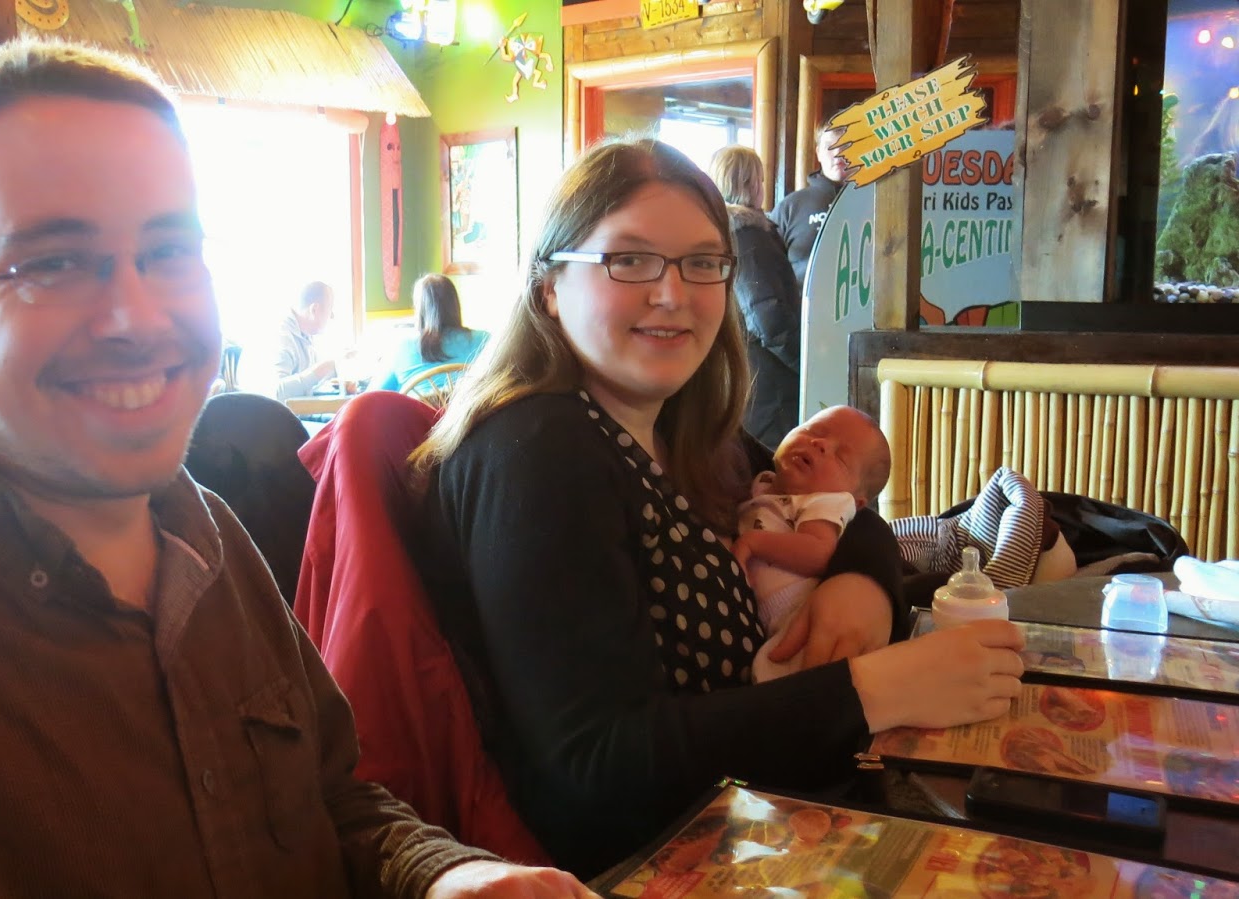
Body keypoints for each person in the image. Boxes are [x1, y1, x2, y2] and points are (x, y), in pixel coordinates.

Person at [0, 40, 593, 899]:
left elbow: (335, 802)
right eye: (54, 262)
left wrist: (447, 874)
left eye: (169, 250)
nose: (137, 317)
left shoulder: (209, 535)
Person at [413, 138, 1024, 877]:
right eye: (629, 260)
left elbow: (850, 511)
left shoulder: (688, 425)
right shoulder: (536, 450)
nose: (673, 293)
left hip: (776, 820)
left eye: (702, 262)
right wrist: (875, 690)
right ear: (548, 285)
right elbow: (595, 770)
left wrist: (860, 582)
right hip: (664, 866)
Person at [732, 405, 891, 682]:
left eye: (841, 457)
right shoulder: (764, 482)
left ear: (854, 501)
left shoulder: (824, 502)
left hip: (799, 612)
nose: (820, 444)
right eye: (812, 430)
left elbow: (819, 551)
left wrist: (753, 543)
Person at [707, 145, 801, 449]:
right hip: (769, 383)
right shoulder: (746, 235)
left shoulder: (719, 233)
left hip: (747, 373)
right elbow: (768, 316)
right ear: (748, 183)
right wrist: (806, 363)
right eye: (758, 179)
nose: (762, 186)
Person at [373, 273, 489, 392]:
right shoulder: (485, 340)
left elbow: (373, 395)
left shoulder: (402, 347)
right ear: (455, 304)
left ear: (420, 309)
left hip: (418, 405)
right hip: (468, 404)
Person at [771, 127, 847, 292]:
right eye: (830, 146)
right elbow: (769, 272)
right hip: (802, 306)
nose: (838, 153)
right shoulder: (790, 207)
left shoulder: (876, 202)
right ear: (819, 153)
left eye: (846, 144)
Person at [272, 279, 337, 399]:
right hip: (263, 410)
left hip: (292, 410)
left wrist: (335, 370)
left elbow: (307, 388)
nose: (332, 316)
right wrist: (322, 369)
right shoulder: (280, 335)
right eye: (330, 310)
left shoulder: (306, 337)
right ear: (314, 310)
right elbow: (276, 394)